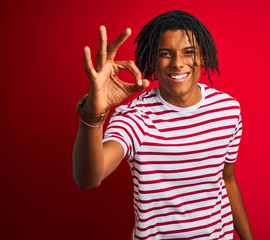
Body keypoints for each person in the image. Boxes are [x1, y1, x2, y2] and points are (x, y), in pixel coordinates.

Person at [73, 10, 254, 240]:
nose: (178, 63)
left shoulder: (228, 109)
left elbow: (227, 179)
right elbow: (88, 178)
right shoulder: (135, 117)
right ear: (152, 60)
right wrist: (93, 113)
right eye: (165, 54)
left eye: (189, 53)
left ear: (203, 57)